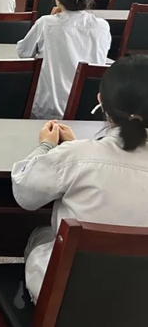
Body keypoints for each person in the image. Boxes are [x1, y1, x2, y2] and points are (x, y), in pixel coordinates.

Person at [11, 55, 148, 303]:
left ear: (101, 101)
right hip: (139, 303)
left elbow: (25, 195)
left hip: (70, 299)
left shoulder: (76, 156)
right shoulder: (78, 155)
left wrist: (47, 147)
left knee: (41, 236)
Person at [16, 0, 111, 119]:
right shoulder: (102, 26)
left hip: (50, 107)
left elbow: (23, 52)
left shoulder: (46, 23)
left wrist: (51, 19)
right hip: (88, 108)